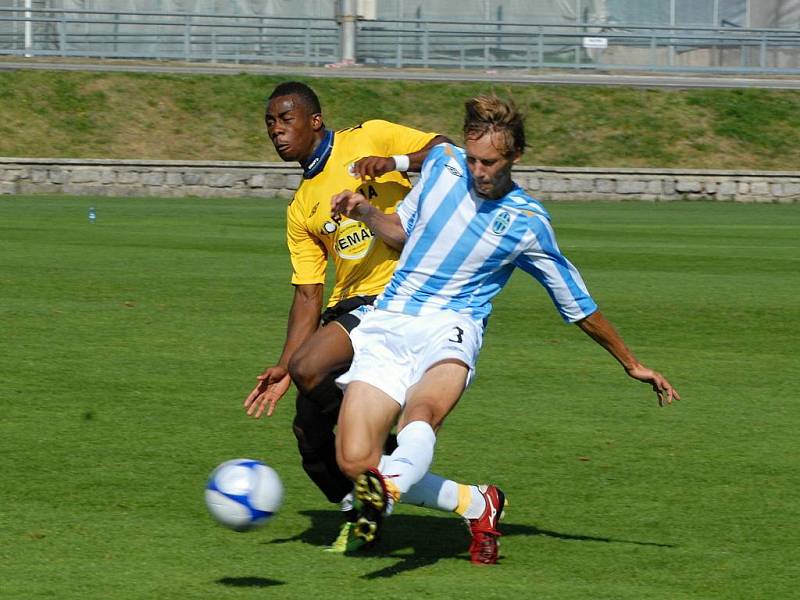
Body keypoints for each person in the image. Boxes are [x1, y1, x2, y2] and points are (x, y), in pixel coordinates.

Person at [331, 93, 681, 564]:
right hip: (389, 321)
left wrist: (632, 363)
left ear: (515, 156)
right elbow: (405, 233)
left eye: (490, 162)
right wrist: (367, 214)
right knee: (354, 461)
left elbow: (576, 304)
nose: (479, 171)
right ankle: (478, 503)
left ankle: (390, 489)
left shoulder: (528, 222)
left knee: (423, 411)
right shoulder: (441, 165)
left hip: (451, 328)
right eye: (473, 159)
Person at [243, 82, 506, 561]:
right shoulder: (301, 207)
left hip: (397, 298)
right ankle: (433, 504)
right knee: (311, 441)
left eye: (286, 120)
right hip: (346, 307)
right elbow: (307, 293)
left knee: (311, 372)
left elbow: (445, 151)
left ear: (314, 120)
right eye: (270, 124)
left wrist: (396, 163)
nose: (276, 131)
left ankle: (378, 442)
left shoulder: (370, 136)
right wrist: (282, 367)